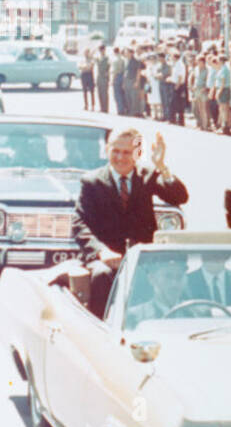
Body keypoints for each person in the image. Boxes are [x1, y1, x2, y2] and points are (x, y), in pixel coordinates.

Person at [72, 127, 190, 319]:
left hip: (143, 257)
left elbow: (180, 196)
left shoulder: (148, 175)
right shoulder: (92, 181)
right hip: (107, 259)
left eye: (126, 152)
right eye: (115, 151)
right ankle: (102, 330)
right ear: (107, 150)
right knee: (101, 275)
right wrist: (102, 252)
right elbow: (80, 224)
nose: (120, 157)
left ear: (137, 153)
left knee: (171, 275)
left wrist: (162, 166)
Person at [129, 255, 191, 323]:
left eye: (179, 276)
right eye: (168, 276)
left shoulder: (197, 314)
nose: (174, 284)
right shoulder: (134, 316)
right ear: (152, 278)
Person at [94, 45, 110, 113]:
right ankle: (101, 108)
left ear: (104, 50)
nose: (101, 51)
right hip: (99, 76)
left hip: (104, 77)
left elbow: (109, 67)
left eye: (102, 50)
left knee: (104, 93)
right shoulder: (98, 58)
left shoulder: (107, 58)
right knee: (99, 93)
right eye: (100, 50)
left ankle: (105, 108)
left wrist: (108, 74)